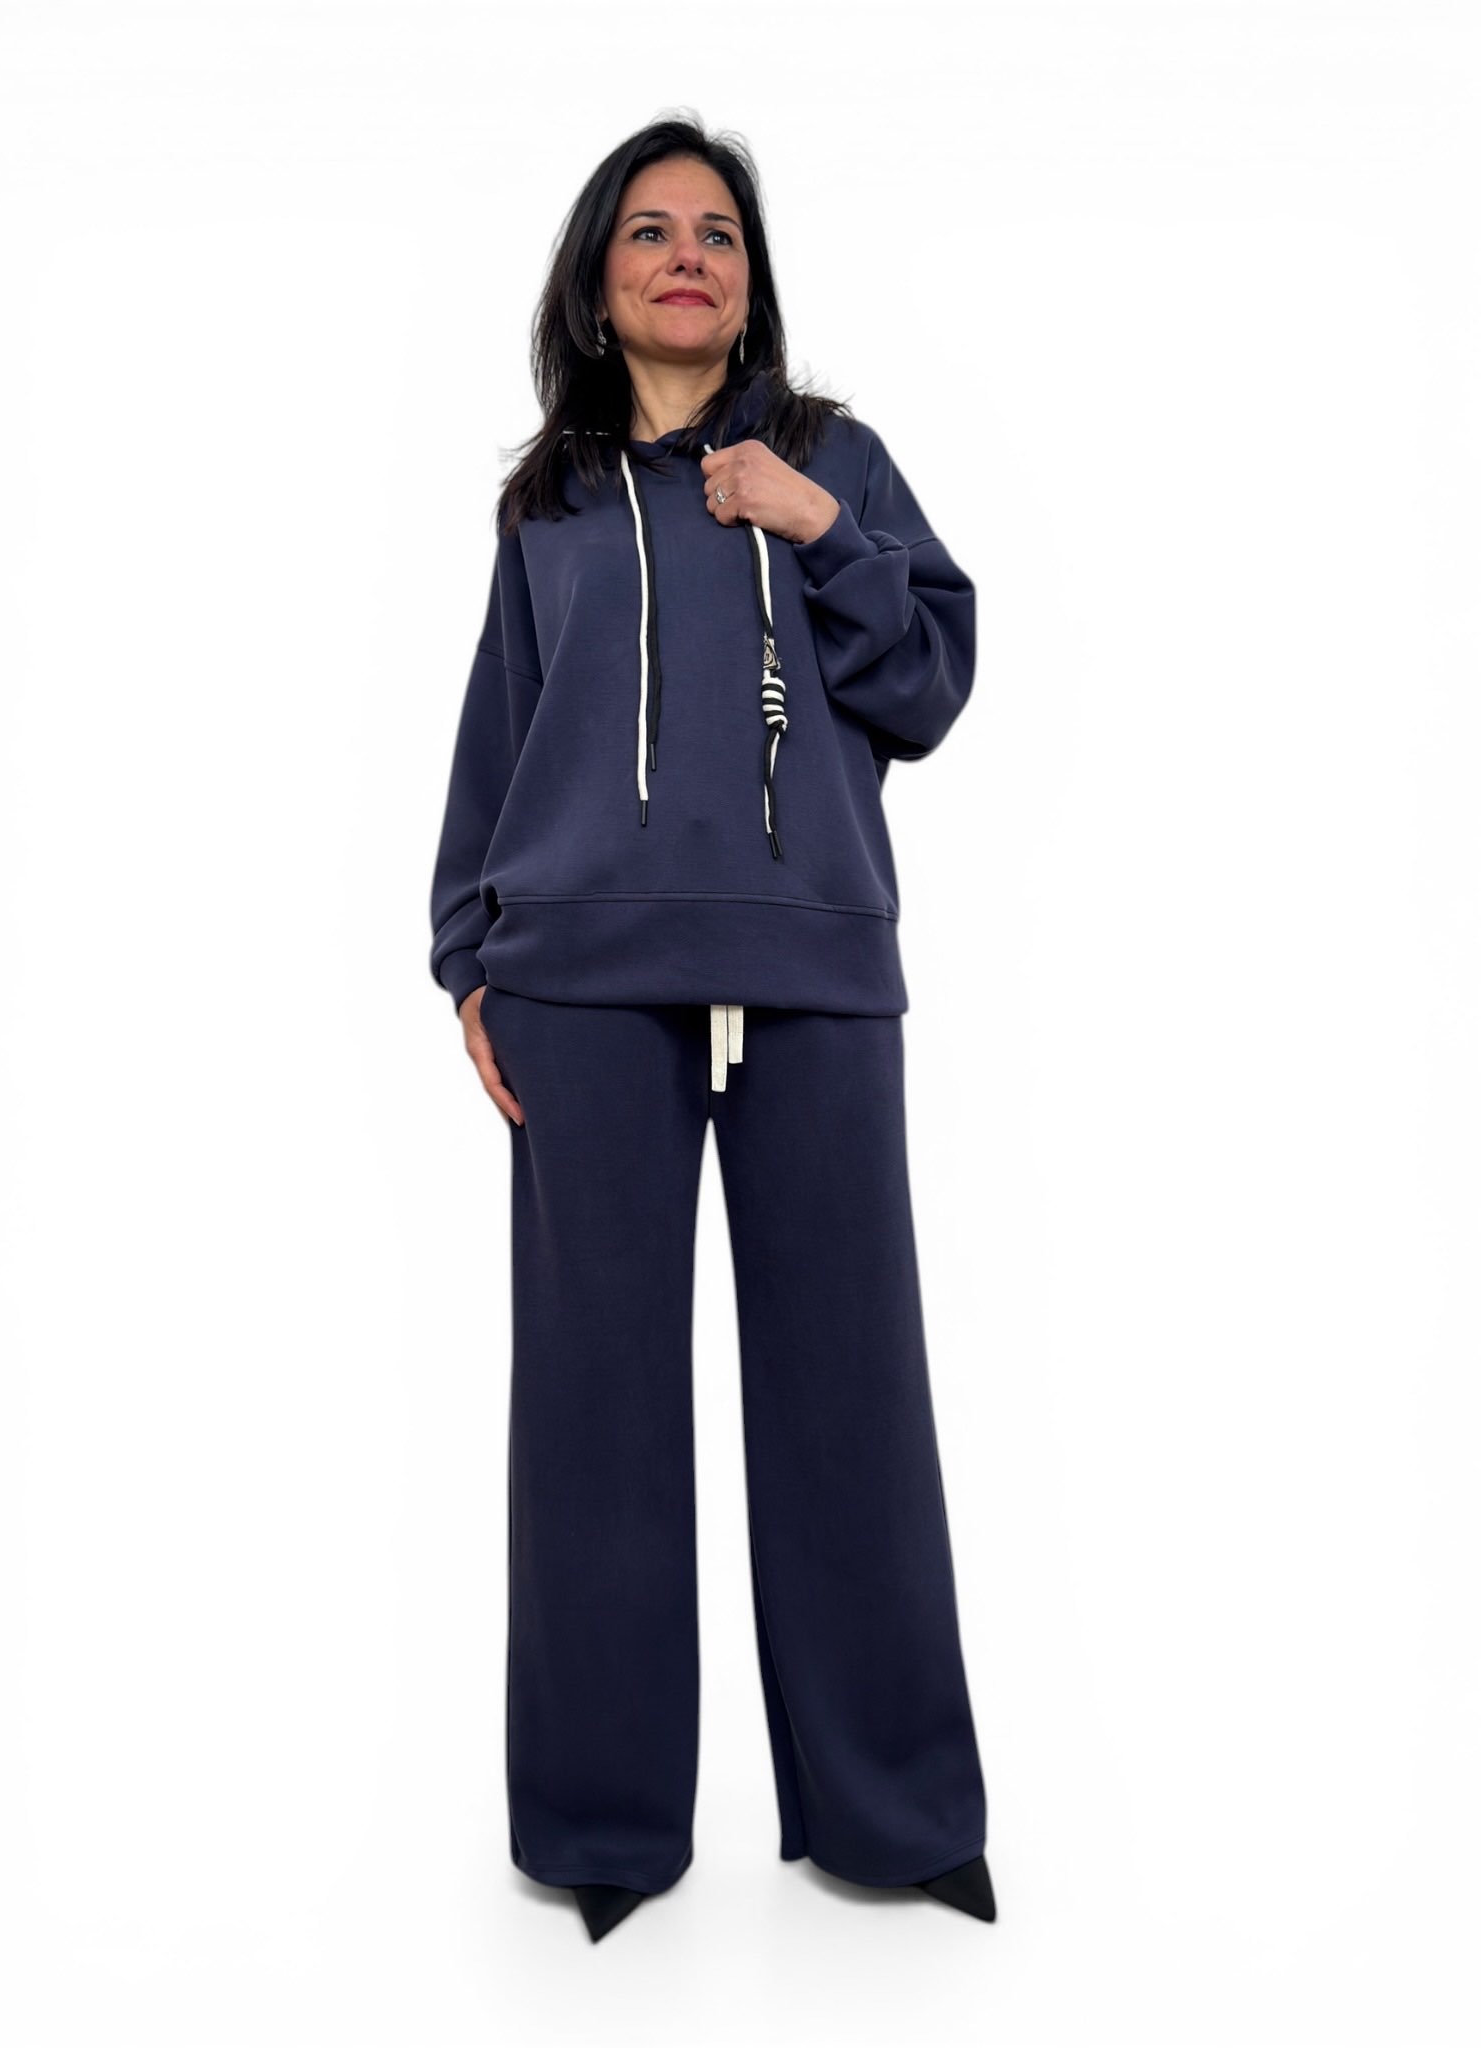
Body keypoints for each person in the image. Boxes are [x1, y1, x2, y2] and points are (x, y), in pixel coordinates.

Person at [429, 117, 996, 1945]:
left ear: (750, 284)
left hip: (814, 971)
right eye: (651, 230)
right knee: (591, 1409)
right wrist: (466, 959)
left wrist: (818, 527)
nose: (688, 254)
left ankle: (897, 1814)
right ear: (598, 283)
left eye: (720, 233)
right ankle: (601, 1828)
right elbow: (500, 732)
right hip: (578, 986)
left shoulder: (838, 461)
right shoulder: (549, 504)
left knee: (851, 1394)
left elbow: (927, 685)